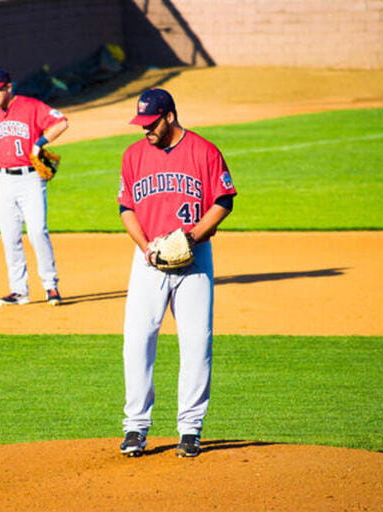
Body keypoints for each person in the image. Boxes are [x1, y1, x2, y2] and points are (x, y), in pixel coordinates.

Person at [116, 88, 237, 458]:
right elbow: (125, 209)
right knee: (137, 341)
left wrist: (191, 237)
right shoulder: (133, 155)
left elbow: (224, 201)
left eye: (151, 123)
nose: (145, 129)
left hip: (194, 259)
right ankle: (135, 427)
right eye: (141, 123)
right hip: (148, 260)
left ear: (169, 116)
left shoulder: (205, 151)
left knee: (197, 343)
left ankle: (190, 429)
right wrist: (146, 247)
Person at [0, 66, 69, 306]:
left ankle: (51, 286)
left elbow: (61, 122)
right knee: (10, 237)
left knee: (37, 232)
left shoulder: (31, 106)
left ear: (9, 87)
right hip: (4, 180)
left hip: (31, 179)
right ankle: (19, 291)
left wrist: (39, 144)